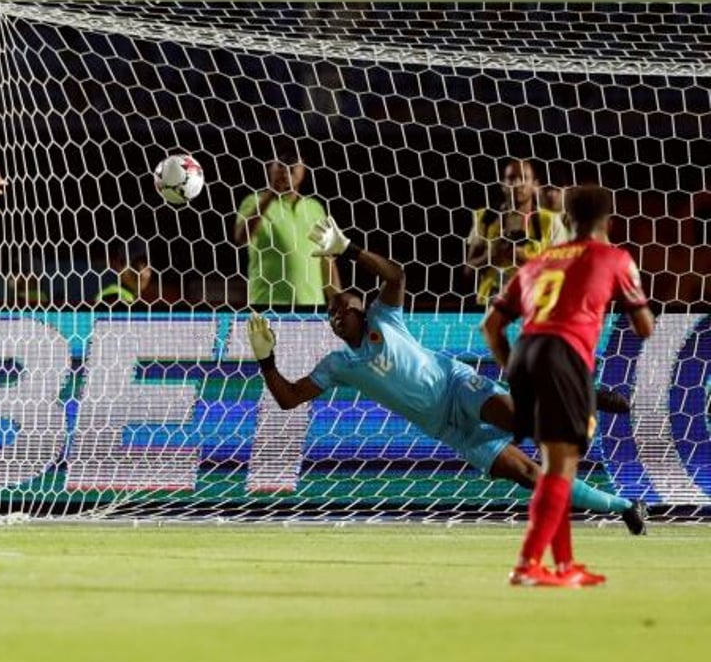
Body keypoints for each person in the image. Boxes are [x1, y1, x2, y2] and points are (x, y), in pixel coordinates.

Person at [246, 217, 647, 538]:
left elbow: (397, 276)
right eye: (331, 315)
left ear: (361, 310)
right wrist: (266, 360)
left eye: (343, 309)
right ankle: (626, 507)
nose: (336, 317)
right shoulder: (338, 365)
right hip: (450, 429)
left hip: (458, 387)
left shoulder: (385, 319)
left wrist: (348, 249)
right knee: (532, 478)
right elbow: (289, 398)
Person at [482, 185, 654, 587]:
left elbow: (490, 326)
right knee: (560, 467)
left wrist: (514, 368)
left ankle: (564, 565)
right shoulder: (613, 257)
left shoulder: (538, 261)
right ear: (608, 222)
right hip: (565, 357)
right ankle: (527, 564)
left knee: (556, 466)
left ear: (564, 220)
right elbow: (643, 326)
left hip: (525, 354)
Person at [466, 158, 568, 306]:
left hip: (533, 308)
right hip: (488, 306)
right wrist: (491, 256)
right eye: (512, 178)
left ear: (534, 185)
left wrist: (524, 258)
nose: (518, 184)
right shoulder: (486, 218)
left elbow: (563, 272)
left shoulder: (550, 222)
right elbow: (467, 271)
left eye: (524, 178)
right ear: (502, 184)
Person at [233, 150, 328, 307]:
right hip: (268, 304)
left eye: (294, 162)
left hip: (312, 306)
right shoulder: (254, 201)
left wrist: (338, 297)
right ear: (270, 168)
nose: (288, 167)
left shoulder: (314, 207)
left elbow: (327, 261)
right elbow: (241, 237)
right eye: (282, 162)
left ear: (304, 168)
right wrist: (272, 193)